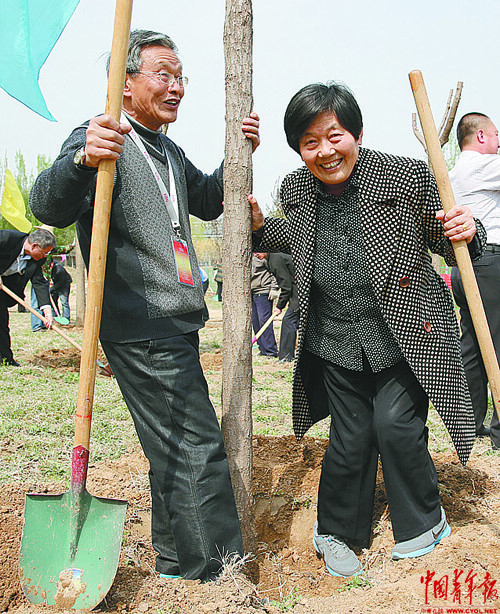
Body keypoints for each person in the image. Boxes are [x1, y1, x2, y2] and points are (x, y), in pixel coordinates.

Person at [30, 29, 260, 581]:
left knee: (173, 450)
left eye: (182, 76)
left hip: (176, 318)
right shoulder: (102, 134)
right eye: (164, 74)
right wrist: (83, 159)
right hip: (140, 323)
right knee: (197, 447)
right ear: (125, 82)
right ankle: (218, 579)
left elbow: (207, 200)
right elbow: (48, 203)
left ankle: (178, 563)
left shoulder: (166, 147)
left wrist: (238, 152)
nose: (177, 86)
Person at [249, 82, 485, 577]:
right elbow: (287, 235)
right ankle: (337, 531)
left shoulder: (405, 177)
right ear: (298, 149)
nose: (324, 151)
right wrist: (254, 225)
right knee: (350, 436)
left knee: (395, 426)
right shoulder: (296, 190)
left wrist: (467, 229)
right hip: (335, 337)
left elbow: (449, 235)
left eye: (333, 136)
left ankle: (425, 520)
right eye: (309, 142)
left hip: (407, 333)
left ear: (355, 132)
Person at [449, 113, 500, 449]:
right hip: (489, 260)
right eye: (496, 135)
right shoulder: (482, 166)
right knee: (497, 343)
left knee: (472, 345)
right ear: (480, 136)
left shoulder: (453, 172)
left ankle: (470, 422)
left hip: (462, 266)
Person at [0, 228, 55, 365]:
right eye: (44, 252)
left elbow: (39, 282)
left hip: (3, 289)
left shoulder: (37, 259)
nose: (45, 256)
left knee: (1, 322)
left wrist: (47, 312)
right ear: (34, 245)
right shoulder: (6, 238)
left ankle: (6, 359)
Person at [266, 252, 299, 362]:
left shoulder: (275, 258)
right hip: (297, 292)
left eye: (257, 252)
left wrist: (280, 306)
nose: (255, 255)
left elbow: (286, 285)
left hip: (300, 292)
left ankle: (286, 356)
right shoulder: (274, 257)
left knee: (289, 321)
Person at [251, 252, 280, 357]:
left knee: (264, 321)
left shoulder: (263, 256)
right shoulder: (246, 255)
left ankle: (270, 350)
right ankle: (262, 349)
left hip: (263, 291)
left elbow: (274, 272)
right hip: (251, 292)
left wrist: (274, 288)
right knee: (255, 321)